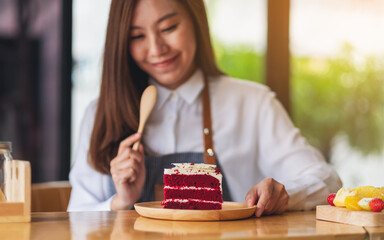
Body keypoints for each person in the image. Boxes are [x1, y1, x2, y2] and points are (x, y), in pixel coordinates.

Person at [67, 0, 342, 216]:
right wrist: (120, 202)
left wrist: (285, 194)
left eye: (168, 28)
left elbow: (328, 181)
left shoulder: (252, 103)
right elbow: (75, 219)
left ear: (196, 21)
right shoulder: (100, 114)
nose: (156, 48)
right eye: (137, 36)